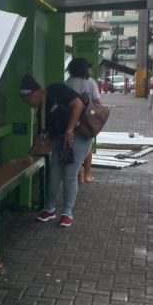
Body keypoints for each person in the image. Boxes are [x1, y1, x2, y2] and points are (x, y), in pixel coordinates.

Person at [19, 74, 90, 228]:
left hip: (78, 136)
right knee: (54, 175)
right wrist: (29, 156)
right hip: (60, 140)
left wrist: (70, 130)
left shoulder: (56, 89)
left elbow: (78, 104)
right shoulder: (41, 111)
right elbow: (41, 137)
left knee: (69, 174)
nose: (28, 104)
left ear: (34, 92)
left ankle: (67, 213)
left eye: (27, 100)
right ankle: (49, 209)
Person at [65, 58, 101, 184]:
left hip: (71, 120)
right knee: (87, 147)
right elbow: (97, 101)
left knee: (74, 147)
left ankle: (78, 175)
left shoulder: (68, 82)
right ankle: (88, 175)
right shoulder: (90, 82)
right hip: (87, 120)